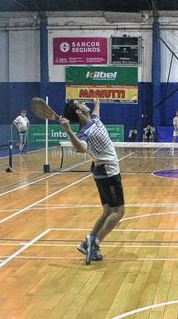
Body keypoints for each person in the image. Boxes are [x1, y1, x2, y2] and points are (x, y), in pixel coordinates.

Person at [61, 99, 125, 264]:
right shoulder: (84, 132)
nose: (83, 102)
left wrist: (97, 103)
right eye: (79, 103)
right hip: (108, 171)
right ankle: (95, 244)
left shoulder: (94, 120)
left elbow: (96, 112)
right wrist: (69, 131)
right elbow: (81, 148)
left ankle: (86, 243)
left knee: (107, 211)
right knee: (118, 211)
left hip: (101, 171)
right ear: (78, 111)